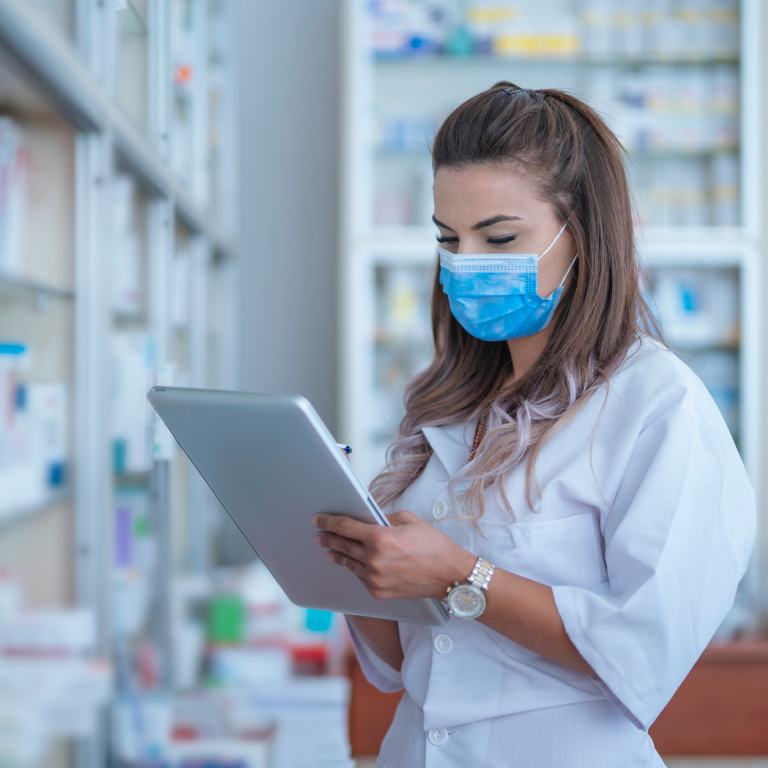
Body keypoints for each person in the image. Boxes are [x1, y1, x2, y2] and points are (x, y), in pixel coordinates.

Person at [313, 82, 756, 767]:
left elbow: (642, 652)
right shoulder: (455, 403)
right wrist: (351, 557)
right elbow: (407, 660)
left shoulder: (657, 405)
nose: (465, 262)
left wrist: (462, 575)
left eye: (498, 237)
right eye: (448, 238)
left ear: (581, 233)